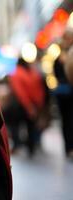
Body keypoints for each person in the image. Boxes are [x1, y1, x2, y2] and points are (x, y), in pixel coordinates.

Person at [7, 57, 45, 156]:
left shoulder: (16, 74)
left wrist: (29, 107)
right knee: (31, 126)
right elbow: (39, 91)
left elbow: (20, 93)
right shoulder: (33, 73)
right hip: (33, 104)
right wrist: (37, 106)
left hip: (20, 106)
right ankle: (31, 148)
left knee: (15, 125)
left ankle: (17, 145)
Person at [53, 28, 73, 158]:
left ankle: (68, 148)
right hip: (68, 93)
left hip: (62, 93)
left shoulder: (58, 58)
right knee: (69, 120)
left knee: (66, 121)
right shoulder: (66, 57)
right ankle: (69, 148)